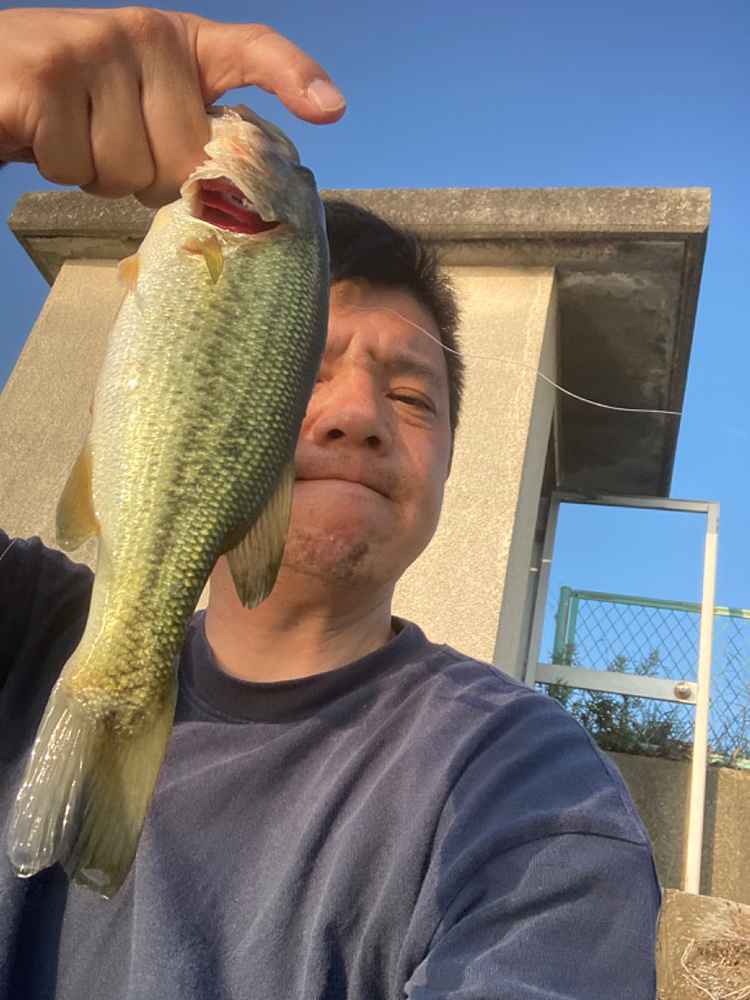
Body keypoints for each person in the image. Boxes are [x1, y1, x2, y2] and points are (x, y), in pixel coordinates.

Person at [0, 7, 661, 999]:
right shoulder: (24, 632)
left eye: (412, 397)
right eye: (305, 367)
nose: (358, 416)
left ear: (449, 468)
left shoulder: (522, 786)